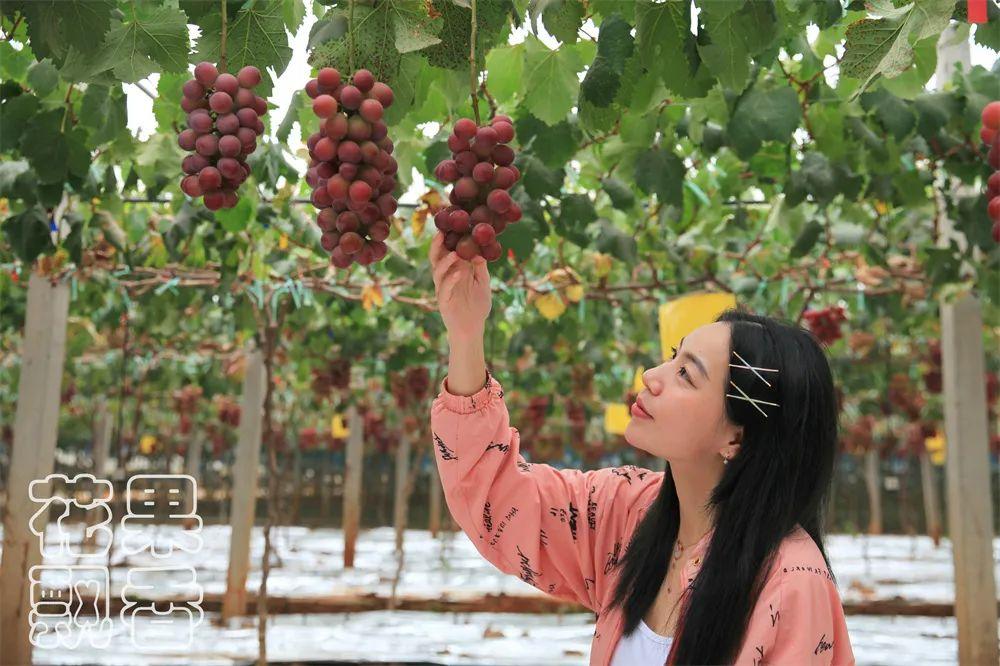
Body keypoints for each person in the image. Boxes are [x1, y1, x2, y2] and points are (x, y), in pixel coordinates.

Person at [428, 232, 855, 666]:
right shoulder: (626, 513)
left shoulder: (792, 582)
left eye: (687, 374)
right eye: (673, 357)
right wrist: (466, 333)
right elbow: (497, 503)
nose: (653, 375)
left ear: (737, 438)